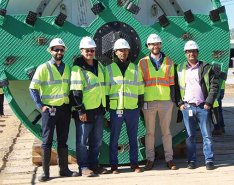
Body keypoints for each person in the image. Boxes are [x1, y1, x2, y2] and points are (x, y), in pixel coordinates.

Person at [29, 38, 78, 181]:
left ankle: (64, 169)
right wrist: (40, 106)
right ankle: (45, 173)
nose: (59, 52)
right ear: (50, 51)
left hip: (64, 109)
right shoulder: (43, 68)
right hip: (49, 110)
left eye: (61, 50)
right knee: (47, 141)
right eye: (56, 49)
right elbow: (33, 88)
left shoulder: (67, 68)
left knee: (63, 140)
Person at [175, 40, 219, 170]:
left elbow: (214, 86)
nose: (191, 54)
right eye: (188, 52)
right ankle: (192, 161)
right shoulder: (179, 68)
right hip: (187, 107)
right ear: (185, 54)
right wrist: (180, 104)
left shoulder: (206, 67)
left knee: (207, 135)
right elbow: (176, 88)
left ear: (197, 53)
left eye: (193, 51)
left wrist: (208, 103)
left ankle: (209, 160)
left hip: (202, 107)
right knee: (190, 136)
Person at [138, 34, 177, 170]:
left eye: (158, 43)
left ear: (160, 45)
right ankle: (150, 159)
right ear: (148, 46)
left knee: (166, 132)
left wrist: (172, 101)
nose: (155, 46)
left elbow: (172, 83)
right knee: (149, 132)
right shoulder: (142, 62)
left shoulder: (169, 62)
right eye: (152, 44)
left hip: (165, 102)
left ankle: (169, 159)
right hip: (148, 102)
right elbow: (139, 84)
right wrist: (141, 102)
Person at [105, 38, 144, 174]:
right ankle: (114, 165)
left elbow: (140, 88)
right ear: (115, 52)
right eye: (121, 50)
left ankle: (134, 163)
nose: (123, 52)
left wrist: (139, 105)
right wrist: (107, 108)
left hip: (132, 109)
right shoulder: (108, 69)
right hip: (116, 109)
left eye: (126, 50)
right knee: (114, 137)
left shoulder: (135, 68)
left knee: (133, 137)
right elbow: (105, 90)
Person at [70, 36, 107, 177]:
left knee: (96, 140)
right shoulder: (77, 68)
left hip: (98, 108)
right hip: (85, 110)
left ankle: (94, 165)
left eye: (92, 50)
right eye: (87, 50)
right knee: (82, 141)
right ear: (81, 51)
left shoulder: (99, 65)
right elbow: (75, 91)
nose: (90, 52)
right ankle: (84, 167)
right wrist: (80, 110)